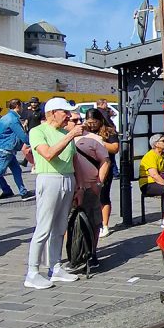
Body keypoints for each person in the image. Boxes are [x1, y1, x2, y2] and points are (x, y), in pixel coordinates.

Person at [24, 97, 83, 289]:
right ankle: (32, 272)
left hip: (67, 178)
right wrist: (70, 135)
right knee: (44, 227)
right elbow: (48, 154)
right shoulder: (38, 131)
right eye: (64, 112)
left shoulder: (63, 132)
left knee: (59, 227)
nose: (67, 116)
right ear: (52, 113)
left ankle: (55, 266)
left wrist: (78, 185)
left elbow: (74, 159)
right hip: (49, 178)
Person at [68, 112, 109, 267]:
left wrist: (98, 183)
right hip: (68, 187)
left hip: (90, 186)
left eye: (80, 119)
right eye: (74, 120)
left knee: (93, 221)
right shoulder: (60, 137)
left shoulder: (94, 139)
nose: (79, 122)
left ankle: (91, 253)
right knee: (69, 222)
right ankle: (74, 253)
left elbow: (105, 161)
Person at [83, 109, 119, 238]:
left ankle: (104, 225)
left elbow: (115, 148)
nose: (92, 125)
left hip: (104, 167)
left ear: (100, 120)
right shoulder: (83, 131)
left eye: (95, 122)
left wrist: (98, 141)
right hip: (86, 167)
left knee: (103, 196)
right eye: (89, 122)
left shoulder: (109, 131)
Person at [0, 98, 31, 204]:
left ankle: (23, 193)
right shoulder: (12, 119)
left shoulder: (6, 117)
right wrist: (31, 142)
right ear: (17, 106)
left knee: (17, 170)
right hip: (6, 149)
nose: (22, 108)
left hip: (7, 149)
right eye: (21, 106)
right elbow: (21, 134)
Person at [139, 134, 164, 228]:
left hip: (157, 181)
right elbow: (154, 175)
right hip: (148, 184)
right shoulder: (150, 156)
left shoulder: (163, 156)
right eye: (163, 141)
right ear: (156, 144)